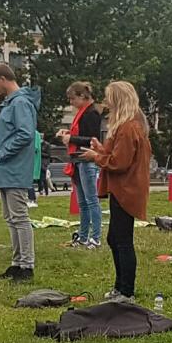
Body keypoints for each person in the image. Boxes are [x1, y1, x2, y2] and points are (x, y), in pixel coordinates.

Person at [80, 81, 151, 302]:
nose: (106, 102)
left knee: (122, 240)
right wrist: (101, 150)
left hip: (126, 189)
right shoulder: (128, 126)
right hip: (123, 188)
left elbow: (120, 163)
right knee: (115, 238)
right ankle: (120, 287)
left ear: (118, 99)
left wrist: (96, 158)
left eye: (109, 97)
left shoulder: (128, 127)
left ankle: (126, 290)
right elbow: (119, 156)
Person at [0, 62, 40, 282]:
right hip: (7, 168)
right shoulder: (11, 103)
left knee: (20, 217)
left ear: (3, 79)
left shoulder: (20, 103)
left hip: (14, 168)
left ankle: (27, 265)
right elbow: (11, 135)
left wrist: (1, 152)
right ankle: (17, 263)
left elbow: (25, 134)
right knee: (10, 218)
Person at [56, 81, 102, 249]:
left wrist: (71, 139)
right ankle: (83, 237)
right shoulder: (82, 113)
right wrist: (69, 134)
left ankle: (96, 238)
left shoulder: (92, 113)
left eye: (72, 98)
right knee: (82, 202)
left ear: (83, 96)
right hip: (77, 161)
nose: (71, 103)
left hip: (86, 160)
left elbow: (93, 139)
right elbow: (83, 134)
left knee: (91, 201)